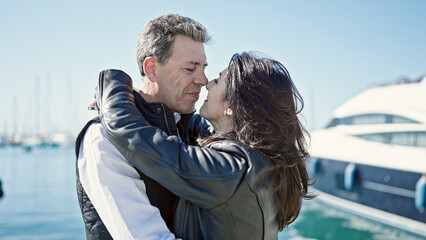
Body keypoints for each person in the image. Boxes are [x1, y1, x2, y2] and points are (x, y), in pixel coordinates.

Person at [94, 51, 315, 240]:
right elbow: (197, 130)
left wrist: (113, 83)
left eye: (218, 81)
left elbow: (129, 133)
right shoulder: (259, 160)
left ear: (233, 107)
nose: (207, 83)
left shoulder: (230, 170)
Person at [75, 13, 211, 239]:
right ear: (152, 69)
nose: (203, 79)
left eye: (204, 67)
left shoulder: (190, 129)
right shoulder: (102, 137)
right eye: (190, 68)